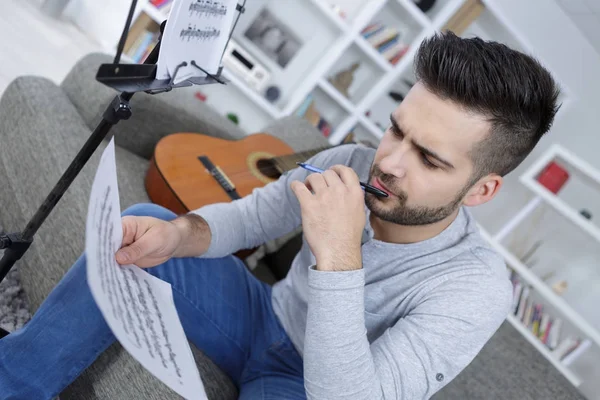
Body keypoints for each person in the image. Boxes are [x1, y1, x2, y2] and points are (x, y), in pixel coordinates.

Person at [0, 31, 560, 399]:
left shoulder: (473, 288)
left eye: (429, 158)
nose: (387, 161)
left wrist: (338, 256)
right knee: (149, 223)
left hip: (310, 385)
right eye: (397, 128)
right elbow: (248, 219)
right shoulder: (349, 161)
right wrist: (178, 234)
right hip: (263, 314)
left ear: (482, 189)